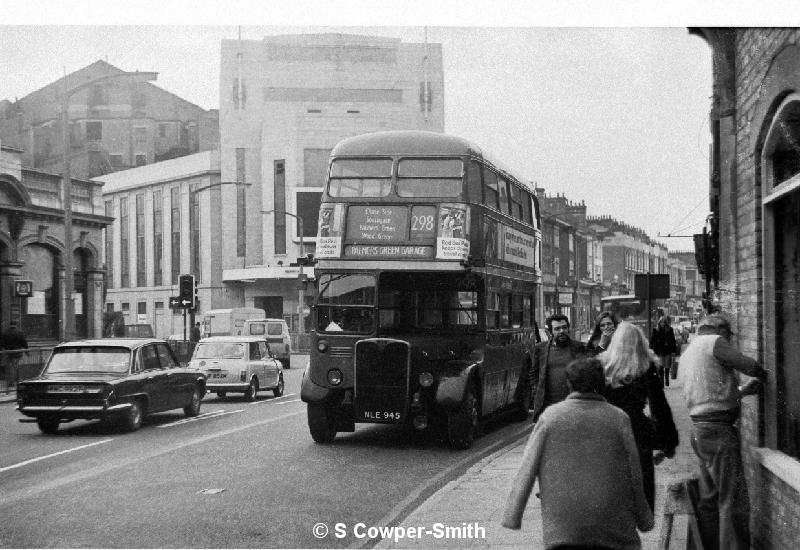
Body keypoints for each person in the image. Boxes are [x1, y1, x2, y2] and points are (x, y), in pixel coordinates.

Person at [502, 357, 654, 548]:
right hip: (613, 525)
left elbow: (527, 468)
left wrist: (512, 515)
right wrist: (644, 518)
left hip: (563, 527)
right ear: (602, 383)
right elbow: (635, 473)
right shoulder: (619, 418)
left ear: (569, 384)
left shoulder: (550, 417)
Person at [678, 314, 767, 550]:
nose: (729, 340)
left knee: (710, 499)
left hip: (700, 430)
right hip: (718, 431)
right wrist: (766, 373)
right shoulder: (714, 342)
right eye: (729, 335)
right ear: (719, 330)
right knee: (733, 500)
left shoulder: (689, 352)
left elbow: (708, 393)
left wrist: (742, 391)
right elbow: (750, 365)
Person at [600, 321, 679, 511]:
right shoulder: (645, 366)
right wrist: (668, 444)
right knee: (639, 487)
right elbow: (659, 406)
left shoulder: (602, 365)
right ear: (640, 343)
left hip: (608, 432)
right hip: (637, 431)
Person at [530, 314, 586, 421]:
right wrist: (536, 391)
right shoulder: (541, 349)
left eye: (564, 327)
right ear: (551, 331)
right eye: (557, 329)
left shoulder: (579, 348)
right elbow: (534, 373)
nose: (561, 331)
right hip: (548, 407)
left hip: (573, 406)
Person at [651, 315, 678, 387]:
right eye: (661, 322)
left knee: (667, 367)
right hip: (659, 351)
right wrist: (652, 350)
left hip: (667, 351)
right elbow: (652, 341)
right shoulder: (655, 330)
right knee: (660, 368)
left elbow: (673, 341)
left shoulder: (670, 330)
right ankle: (662, 383)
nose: (662, 324)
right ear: (659, 323)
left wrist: (674, 351)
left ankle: (666, 379)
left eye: (664, 322)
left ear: (666, 323)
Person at [0, 320, 28, 387]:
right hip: (16, 353)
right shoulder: (19, 332)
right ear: (16, 325)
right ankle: (14, 382)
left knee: (8, 367)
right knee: (15, 367)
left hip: (7, 353)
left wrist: (4, 349)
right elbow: (23, 342)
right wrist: (27, 351)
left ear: (10, 325)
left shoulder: (5, 332)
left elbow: (2, 343)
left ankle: (10, 381)